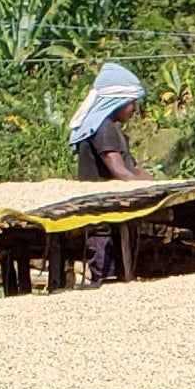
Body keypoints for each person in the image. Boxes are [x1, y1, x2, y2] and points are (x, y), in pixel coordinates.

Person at [69, 61, 148, 282]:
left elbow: (134, 169)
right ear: (118, 102)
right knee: (108, 278)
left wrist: (161, 183)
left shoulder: (109, 129)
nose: (133, 109)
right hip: (104, 221)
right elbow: (120, 172)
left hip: (107, 222)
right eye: (131, 103)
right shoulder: (104, 129)